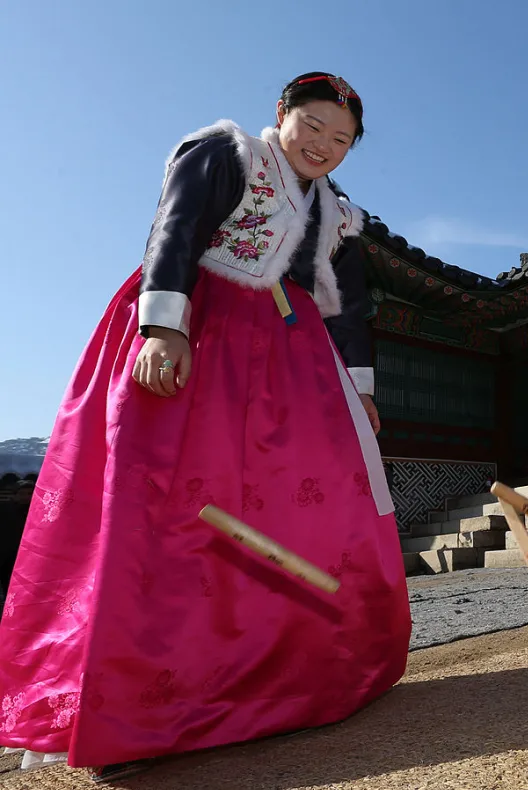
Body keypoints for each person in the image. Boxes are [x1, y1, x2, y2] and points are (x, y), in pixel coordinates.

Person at [0, 73, 411, 778]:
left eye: (341, 140)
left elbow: (346, 304)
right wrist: (164, 327)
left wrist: (359, 387)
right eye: (312, 126)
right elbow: (177, 228)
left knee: (302, 509)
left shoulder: (336, 213)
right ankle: (145, 704)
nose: (324, 145)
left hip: (289, 352)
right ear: (280, 114)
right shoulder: (226, 154)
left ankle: (293, 678)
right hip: (204, 326)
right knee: (169, 506)